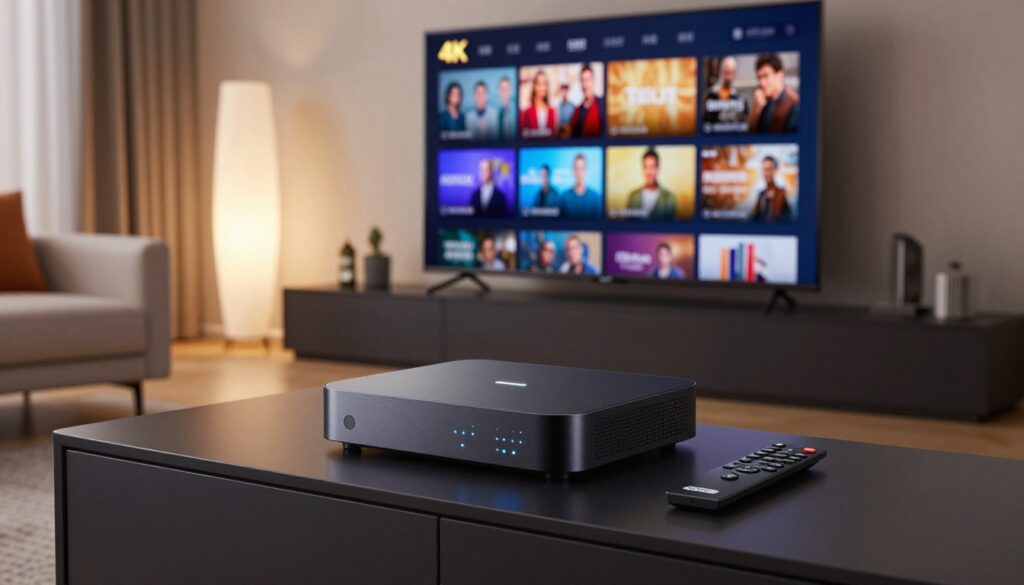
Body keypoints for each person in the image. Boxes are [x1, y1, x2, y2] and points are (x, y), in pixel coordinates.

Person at [749, 53, 799, 133]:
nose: (761, 83)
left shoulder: (793, 103)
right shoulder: (762, 103)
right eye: (759, 78)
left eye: (766, 76)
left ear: (779, 75)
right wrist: (756, 111)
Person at [625, 148, 677, 220]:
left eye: (653, 167)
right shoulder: (633, 197)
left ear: (658, 168)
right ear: (642, 169)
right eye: (646, 167)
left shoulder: (669, 198)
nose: (649, 172)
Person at [702, 56, 748, 127]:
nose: (728, 78)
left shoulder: (740, 98)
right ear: (721, 71)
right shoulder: (710, 96)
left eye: (731, 73)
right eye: (726, 72)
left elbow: (744, 123)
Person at [558, 154, 602, 219]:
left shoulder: (595, 198)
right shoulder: (564, 198)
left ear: (586, 170)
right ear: (573, 170)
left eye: (582, 169)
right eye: (577, 168)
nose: (579, 172)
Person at [751, 155, 793, 222]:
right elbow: (754, 218)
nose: (768, 173)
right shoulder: (761, 195)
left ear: (775, 170)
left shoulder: (782, 193)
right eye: (765, 170)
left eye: (770, 169)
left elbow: (789, 218)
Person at [519, 70, 557, 138]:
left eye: (545, 84)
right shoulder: (526, 112)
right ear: (534, 86)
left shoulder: (553, 111)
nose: (542, 88)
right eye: (539, 84)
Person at [569, 64, 602, 137]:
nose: (584, 84)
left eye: (587, 80)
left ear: (593, 81)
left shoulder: (602, 105)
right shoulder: (576, 112)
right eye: (582, 80)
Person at [497, 76, 516, 140]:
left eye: (506, 90)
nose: (504, 93)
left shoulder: (515, 113)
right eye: (502, 90)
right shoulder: (500, 112)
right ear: (499, 92)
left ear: (511, 91)